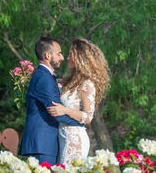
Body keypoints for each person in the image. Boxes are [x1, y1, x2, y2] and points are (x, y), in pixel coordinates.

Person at [19, 37, 82, 165]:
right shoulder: (44, 78)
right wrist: (81, 122)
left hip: (45, 142)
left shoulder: (45, 76)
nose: (62, 58)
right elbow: (55, 111)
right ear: (48, 55)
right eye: (59, 53)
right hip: (42, 143)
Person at [48, 38, 110, 164]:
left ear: (80, 58)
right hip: (62, 135)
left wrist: (64, 110)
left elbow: (88, 117)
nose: (67, 58)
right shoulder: (68, 81)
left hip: (74, 139)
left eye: (71, 55)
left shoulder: (87, 84)